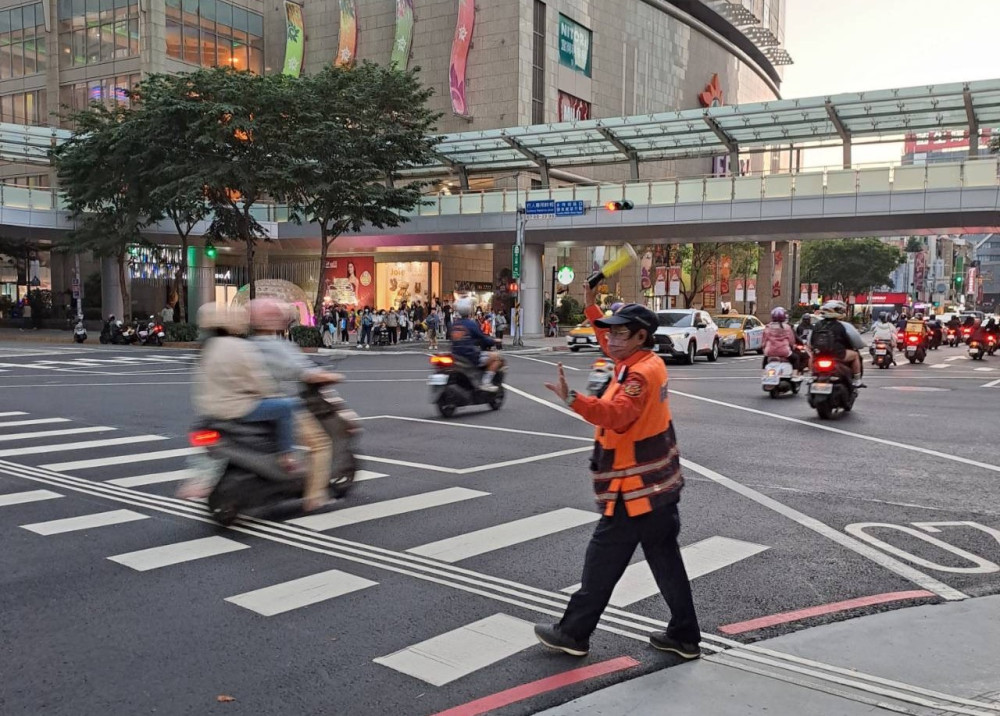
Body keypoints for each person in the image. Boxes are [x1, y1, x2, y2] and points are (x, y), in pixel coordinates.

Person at [535, 283, 700, 660]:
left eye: (620, 333)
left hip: (634, 491)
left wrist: (573, 398)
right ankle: (685, 636)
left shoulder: (639, 376)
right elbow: (608, 343)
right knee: (666, 563)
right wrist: (592, 307)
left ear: (641, 336)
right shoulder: (640, 361)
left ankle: (573, 633)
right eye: (610, 332)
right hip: (656, 488)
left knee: (601, 563)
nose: (610, 340)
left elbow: (619, 416)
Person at [247, 299, 342, 512]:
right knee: (321, 444)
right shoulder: (277, 346)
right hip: (282, 406)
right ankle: (315, 497)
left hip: (251, 405)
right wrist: (332, 376)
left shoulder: (247, 345)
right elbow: (303, 372)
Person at [189, 303, 300, 478]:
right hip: (237, 408)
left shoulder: (206, 348)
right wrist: (272, 393)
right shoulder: (238, 346)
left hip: (209, 411)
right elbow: (259, 381)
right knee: (285, 406)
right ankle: (287, 456)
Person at [809, 300, 865, 386]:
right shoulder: (842, 325)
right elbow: (851, 341)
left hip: (819, 354)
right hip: (838, 354)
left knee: (811, 356)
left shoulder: (817, 325)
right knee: (855, 355)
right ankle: (857, 379)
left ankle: (811, 376)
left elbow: (811, 341)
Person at [449, 297, 500, 391]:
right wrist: (493, 341)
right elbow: (483, 338)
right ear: (469, 310)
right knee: (496, 357)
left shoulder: (454, 325)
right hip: (470, 357)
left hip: (456, 356)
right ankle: (486, 383)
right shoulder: (471, 324)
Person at [761, 307, 804, 377]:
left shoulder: (768, 327)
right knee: (796, 358)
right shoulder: (787, 327)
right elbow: (792, 341)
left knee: (765, 358)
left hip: (770, 351)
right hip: (784, 351)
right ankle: (794, 374)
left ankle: (764, 373)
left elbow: (764, 341)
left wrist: (764, 348)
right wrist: (793, 346)